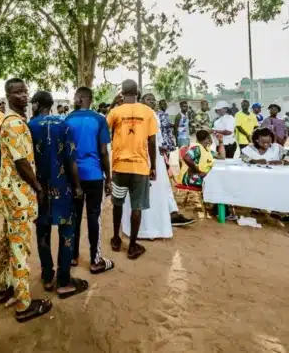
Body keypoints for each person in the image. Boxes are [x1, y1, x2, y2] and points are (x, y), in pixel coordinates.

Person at [0, 78, 53, 322]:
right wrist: (38, 187)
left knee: (7, 241)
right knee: (20, 247)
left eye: (25, 91)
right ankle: (23, 304)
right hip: (19, 194)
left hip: (10, 192)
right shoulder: (15, 123)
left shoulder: (11, 121)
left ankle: (3, 287)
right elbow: (21, 163)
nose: (24, 95)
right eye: (18, 92)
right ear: (8, 96)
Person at [28, 91, 90, 298]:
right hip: (63, 188)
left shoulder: (29, 126)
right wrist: (78, 186)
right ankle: (64, 280)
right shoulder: (65, 125)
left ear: (37, 104)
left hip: (40, 190)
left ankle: (47, 276)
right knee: (67, 232)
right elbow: (71, 160)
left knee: (43, 231)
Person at [122, 94, 194, 240]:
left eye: (153, 99)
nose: (152, 102)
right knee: (148, 190)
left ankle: (168, 216)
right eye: (149, 99)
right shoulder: (138, 115)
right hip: (145, 157)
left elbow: (158, 137)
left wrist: (161, 149)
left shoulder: (154, 115)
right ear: (141, 101)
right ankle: (147, 226)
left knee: (162, 188)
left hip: (157, 157)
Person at [106, 80, 158, 260]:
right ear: (138, 92)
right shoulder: (148, 112)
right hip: (140, 168)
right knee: (137, 206)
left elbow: (105, 132)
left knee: (117, 203)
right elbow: (152, 141)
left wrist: (113, 105)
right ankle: (133, 246)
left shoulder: (115, 112)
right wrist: (154, 167)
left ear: (122, 92)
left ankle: (115, 238)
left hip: (119, 167)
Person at [65, 87, 115, 273]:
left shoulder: (68, 119)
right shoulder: (99, 119)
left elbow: (67, 152)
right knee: (94, 216)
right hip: (94, 176)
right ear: (91, 100)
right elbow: (103, 152)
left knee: (75, 217)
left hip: (75, 176)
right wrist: (108, 178)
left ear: (80, 98)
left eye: (74, 97)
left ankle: (73, 257)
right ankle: (95, 260)